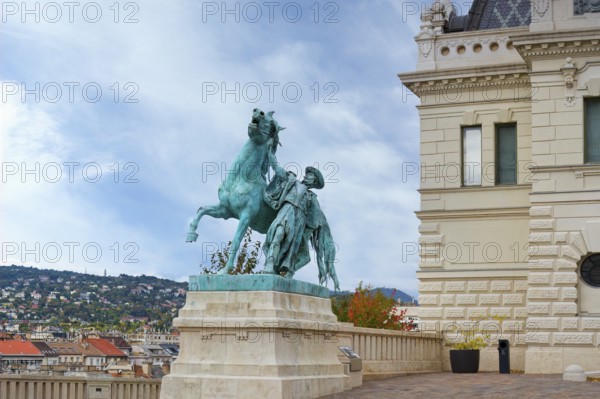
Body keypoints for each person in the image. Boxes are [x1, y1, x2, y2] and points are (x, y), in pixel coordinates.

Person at [261, 141, 325, 278]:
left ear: (314, 182)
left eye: (310, 176)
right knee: (278, 233)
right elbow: (276, 167)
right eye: (307, 174)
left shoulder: (311, 197)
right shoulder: (291, 180)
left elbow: (314, 220)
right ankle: (269, 263)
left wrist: (310, 231)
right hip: (287, 211)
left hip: (299, 219)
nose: (307, 176)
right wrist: (269, 151)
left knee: (291, 247)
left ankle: (288, 269)